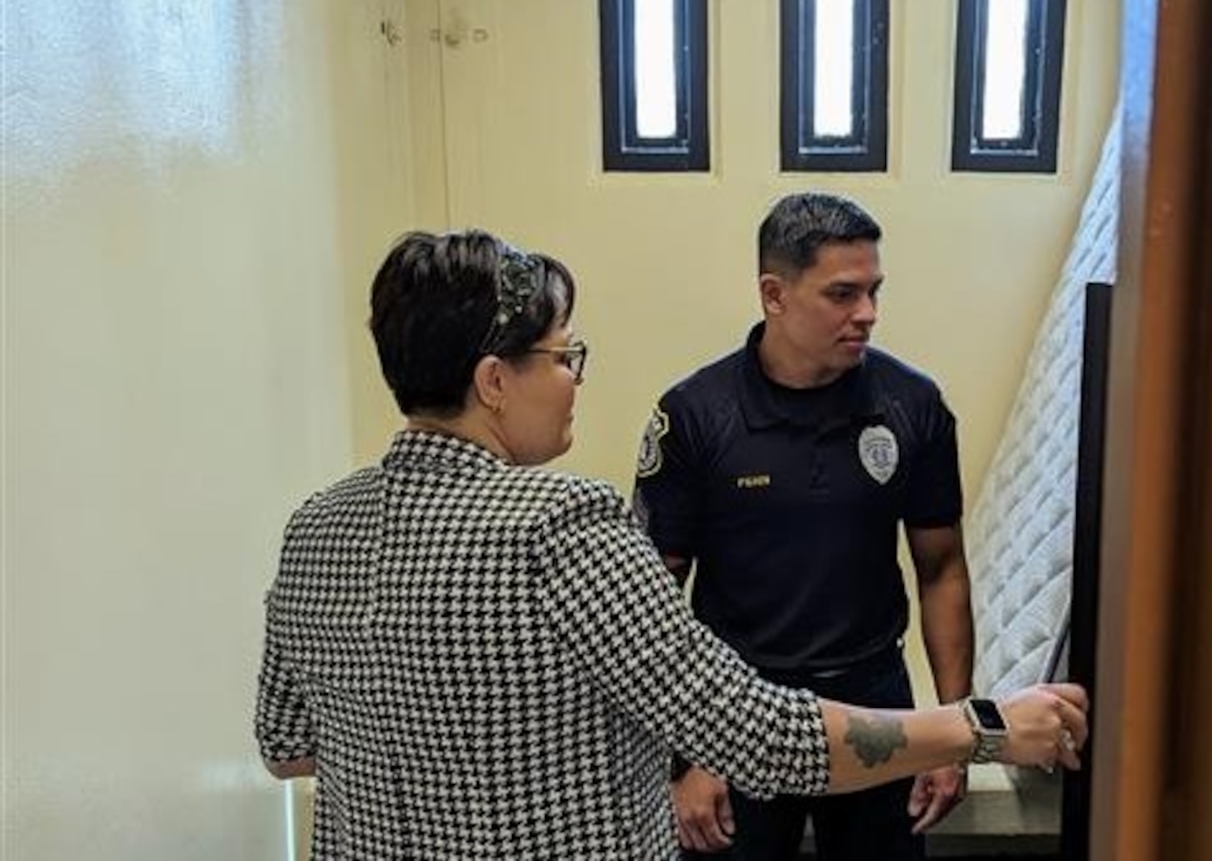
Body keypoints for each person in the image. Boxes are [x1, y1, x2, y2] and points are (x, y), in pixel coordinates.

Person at [255, 229, 1088, 861]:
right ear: (493, 381)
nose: (575, 377)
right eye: (561, 355)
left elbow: (287, 746)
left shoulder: (317, 526)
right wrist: (982, 724)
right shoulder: (563, 525)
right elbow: (761, 736)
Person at [634, 193, 976, 860]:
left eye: (874, 291)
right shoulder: (695, 416)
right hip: (735, 704)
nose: (868, 314)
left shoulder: (913, 406)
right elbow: (650, 604)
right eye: (843, 294)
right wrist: (685, 756)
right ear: (774, 294)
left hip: (873, 701)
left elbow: (942, 569)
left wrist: (955, 730)